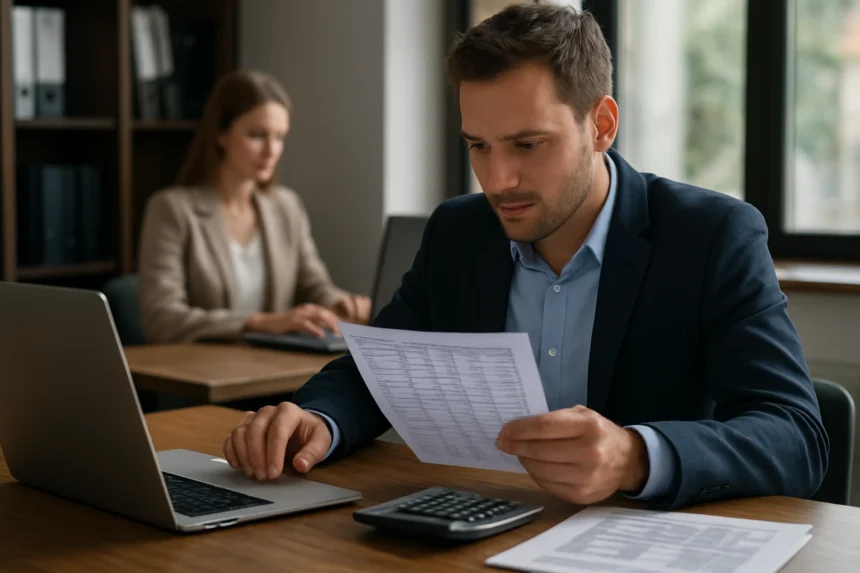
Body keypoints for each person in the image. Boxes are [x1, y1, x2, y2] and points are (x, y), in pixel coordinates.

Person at [222, 5, 828, 509]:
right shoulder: (459, 232)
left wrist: (634, 457)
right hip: (479, 529)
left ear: (602, 124)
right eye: (479, 146)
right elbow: (376, 372)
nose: (498, 178)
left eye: (527, 144)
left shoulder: (711, 237)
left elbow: (796, 437)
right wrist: (314, 420)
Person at [138, 70, 370, 344]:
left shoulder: (287, 207)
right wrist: (259, 323)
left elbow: (313, 285)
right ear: (221, 135)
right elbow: (162, 319)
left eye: (280, 137)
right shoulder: (171, 210)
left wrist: (340, 304)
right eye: (257, 135)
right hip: (202, 375)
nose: (271, 150)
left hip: (269, 369)